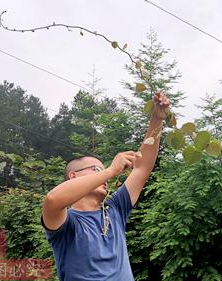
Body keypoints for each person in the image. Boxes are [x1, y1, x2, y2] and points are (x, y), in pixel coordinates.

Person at [41, 92, 170, 280]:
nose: (103, 176)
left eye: (102, 170)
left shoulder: (115, 209)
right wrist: (109, 170)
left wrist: (157, 118)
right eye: (95, 169)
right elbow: (53, 199)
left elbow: (141, 169)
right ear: (73, 176)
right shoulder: (66, 224)